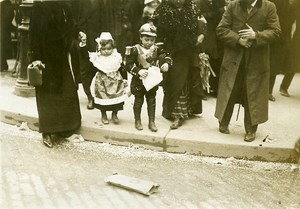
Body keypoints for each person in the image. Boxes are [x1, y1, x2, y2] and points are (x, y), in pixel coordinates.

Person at [215, 0, 281, 142]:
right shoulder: (234, 5)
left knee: (252, 94)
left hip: (256, 61)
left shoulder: (269, 7)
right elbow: (221, 29)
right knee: (230, 90)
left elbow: (276, 32)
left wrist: (256, 36)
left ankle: (251, 129)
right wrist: (238, 40)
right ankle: (223, 122)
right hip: (233, 59)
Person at [28, 0, 81, 148]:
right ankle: (47, 132)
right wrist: (35, 57)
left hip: (63, 57)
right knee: (47, 96)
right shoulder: (39, 6)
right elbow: (33, 34)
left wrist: (77, 35)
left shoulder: (65, 5)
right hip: (46, 58)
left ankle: (63, 128)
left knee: (65, 91)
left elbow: (71, 27)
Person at [152, 0, 206, 129]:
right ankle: (177, 114)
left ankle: (188, 109)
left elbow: (202, 25)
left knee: (189, 80)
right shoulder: (163, 10)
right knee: (177, 82)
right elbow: (159, 35)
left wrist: (202, 35)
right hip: (172, 52)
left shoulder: (193, 8)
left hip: (190, 50)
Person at [125, 23, 172, 132]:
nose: (149, 42)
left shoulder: (156, 49)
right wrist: (138, 71)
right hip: (138, 81)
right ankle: (137, 120)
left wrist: (166, 64)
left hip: (151, 81)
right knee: (138, 101)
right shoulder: (134, 50)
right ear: (140, 38)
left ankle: (152, 121)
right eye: (146, 39)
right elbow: (128, 65)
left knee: (151, 101)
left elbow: (167, 55)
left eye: (152, 40)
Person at [89, 32, 127, 125]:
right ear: (99, 49)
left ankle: (115, 114)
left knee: (117, 97)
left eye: (109, 49)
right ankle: (104, 115)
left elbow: (122, 68)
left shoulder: (116, 57)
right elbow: (92, 70)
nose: (106, 51)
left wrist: (125, 79)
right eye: (103, 49)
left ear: (113, 48)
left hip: (115, 81)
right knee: (103, 98)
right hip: (102, 81)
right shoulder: (97, 58)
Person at [77, 0, 103, 110]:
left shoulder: (102, 2)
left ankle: (98, 95)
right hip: (83, 38)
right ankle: (90, 97)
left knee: (98, 68)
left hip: (99, 38)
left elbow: (107, 19)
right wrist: (79, 31)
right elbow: (73, 17)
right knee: (85, 69)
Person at [197, 0, 225, 97]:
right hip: (207, 33)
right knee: (205, 60)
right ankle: (203, 89)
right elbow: (201, 16)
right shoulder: (200, 3)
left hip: (218, 35)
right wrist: (220, 11)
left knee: (216, 61)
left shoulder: (219, 2)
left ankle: (215, 88)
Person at [268, 0, 293, 101]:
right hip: (268, 31)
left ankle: (269, 91)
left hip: (279, 35)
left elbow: (288, 19)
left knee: (273, 64)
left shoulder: (285, 2)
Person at [278, 0, 299, 97]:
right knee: (293, 64)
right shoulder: (296, 5)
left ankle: (284, 87)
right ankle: (284, 86)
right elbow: (290, 21)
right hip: (298, 38)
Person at [0, 0, 14, 71]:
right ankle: (3, 65)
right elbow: (9, 19)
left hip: (4, 29)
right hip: (5, 29)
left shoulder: (4, 4)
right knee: (3, 47)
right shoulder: (9, 5)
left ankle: (3, 65)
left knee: (2, 47)